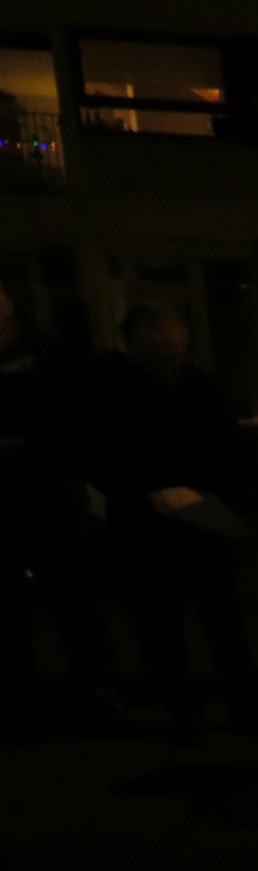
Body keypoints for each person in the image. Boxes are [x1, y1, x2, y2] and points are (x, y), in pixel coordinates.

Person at [87, 302, 258, 744]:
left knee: (226, 622)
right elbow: (95, 455)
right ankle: (181, 711)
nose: (171, 361)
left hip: (205, 520)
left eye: (177, 351)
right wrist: (141, 492)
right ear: (133, 347)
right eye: (161, 353)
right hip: (145, 526)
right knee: (158, 627)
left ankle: (244, 709)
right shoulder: (108, 391)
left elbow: (232, 448)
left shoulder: (203, 386)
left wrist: (227, 498)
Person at [0, 285, 113, 737]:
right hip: (17, 497)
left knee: (76, 599)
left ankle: (94, 690)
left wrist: (34, 446)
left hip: (50, 493)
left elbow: (75, 422)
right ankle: (18, 701)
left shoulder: (49, 360)